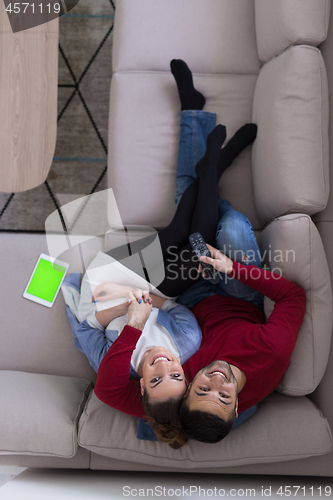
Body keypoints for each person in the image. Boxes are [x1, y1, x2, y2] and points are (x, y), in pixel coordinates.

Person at [96, 59, 307, 447]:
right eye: (224, 396)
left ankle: (205, 147)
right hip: (237, 292)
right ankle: (214, 171)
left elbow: (109, 393)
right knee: (230, 229)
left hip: (188, 294)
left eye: (200, 389)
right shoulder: (270, 358)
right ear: (239, 405)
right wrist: (232, 268)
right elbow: (293, 296)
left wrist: (134, 325)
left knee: (187, 222)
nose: (214, 381)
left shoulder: (174, 388)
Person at [64, 60, 259, 449]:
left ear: (140, 389)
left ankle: (212, 163)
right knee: (191, 241)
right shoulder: (186, 346)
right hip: (161, 285)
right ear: (186, 378)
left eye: (155, 379)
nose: (164, 367)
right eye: (175, 377)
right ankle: (212, 164)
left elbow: (85, 324)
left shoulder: (114, 367)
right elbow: (174, 307)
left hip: (112, 280)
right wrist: (148, 303)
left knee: (187, 235)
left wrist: (127, 316)